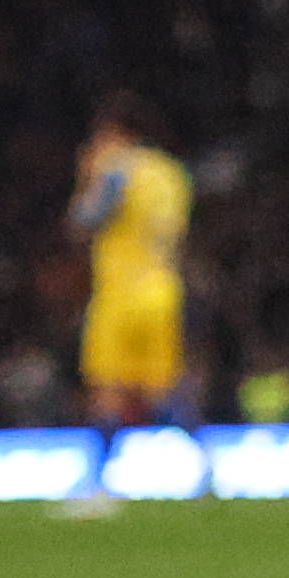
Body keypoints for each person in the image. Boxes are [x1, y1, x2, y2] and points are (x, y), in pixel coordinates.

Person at [63, 108, 192, 512]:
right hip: (162, 289)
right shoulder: (172, 174)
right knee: (162, 387)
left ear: (117, 133)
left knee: (107, 390)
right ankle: (207, 473)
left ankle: (98, 487)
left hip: (121, 293)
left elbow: (88, 219)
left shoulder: (116, 168)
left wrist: (87, 180)